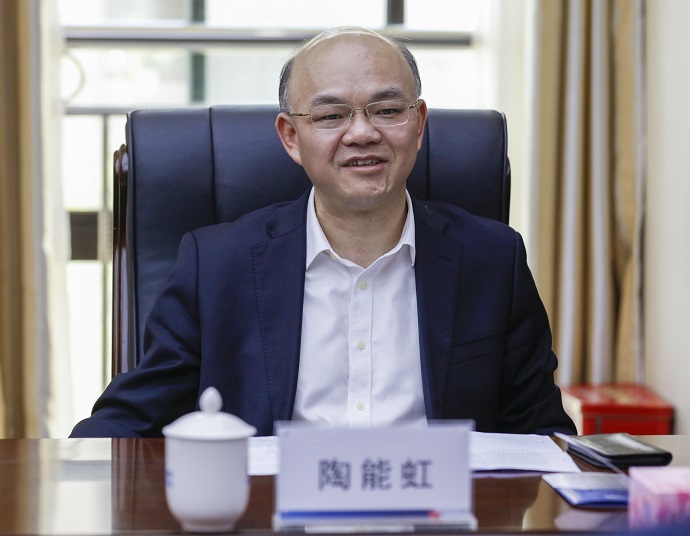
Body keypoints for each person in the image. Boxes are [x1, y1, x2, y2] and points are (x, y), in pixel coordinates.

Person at [71, 26, 575, 438]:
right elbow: (129, 422)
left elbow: (540, 433)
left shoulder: (492, 259)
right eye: (332, 115)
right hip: (268, 513)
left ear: (419, 123)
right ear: (291, 136)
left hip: (437, 513)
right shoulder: (216, 266)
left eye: (387, 110)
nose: (363, 133)